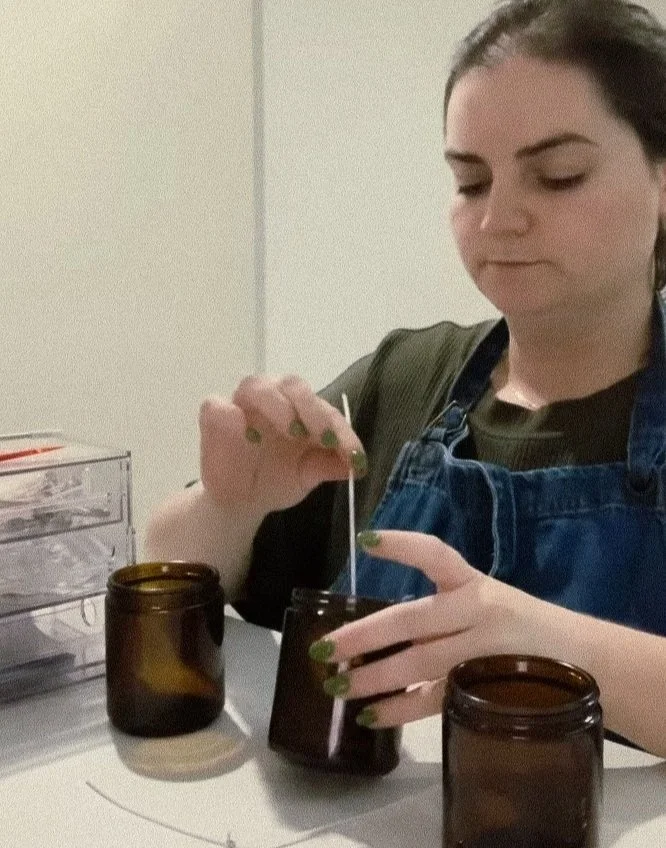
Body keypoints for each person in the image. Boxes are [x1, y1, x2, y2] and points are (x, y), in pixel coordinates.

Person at [146, 0, 666, 758]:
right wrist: (229, 506)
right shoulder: (404, 379)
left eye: (558, 176)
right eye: (470, 182)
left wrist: (533, 639)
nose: (498, 221)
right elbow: (172, 570)